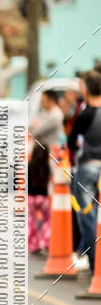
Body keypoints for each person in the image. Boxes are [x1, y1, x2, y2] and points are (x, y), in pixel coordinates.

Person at [68, 70, 101, 272]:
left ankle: (94, 262)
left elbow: (72, 142)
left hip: (88, 166)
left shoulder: (85, 115)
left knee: (88, 216)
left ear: (87, 90)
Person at [28, 144, 51, 254]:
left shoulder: (29, 166)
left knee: (31, 222)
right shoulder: (47, 167)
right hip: (43, 198)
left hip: (31, 198)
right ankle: (45, 241)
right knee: (48, 219)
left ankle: (33, 245)